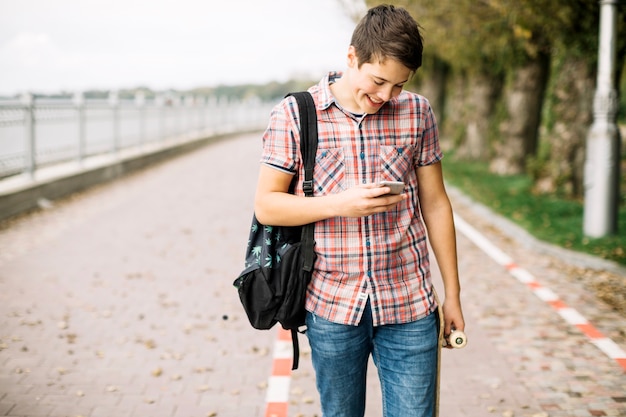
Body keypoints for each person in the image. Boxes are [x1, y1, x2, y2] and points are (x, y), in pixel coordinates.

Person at [254, 4, 465, 417]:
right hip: (332, 304)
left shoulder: (417, 112)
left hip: (410, 303)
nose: (387, 96)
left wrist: (453, 294)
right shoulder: (296, 114)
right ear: (352, 57)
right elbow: (267, 206)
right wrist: (341, 204)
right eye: (379, 80)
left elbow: (436, 204)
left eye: (399, 85)